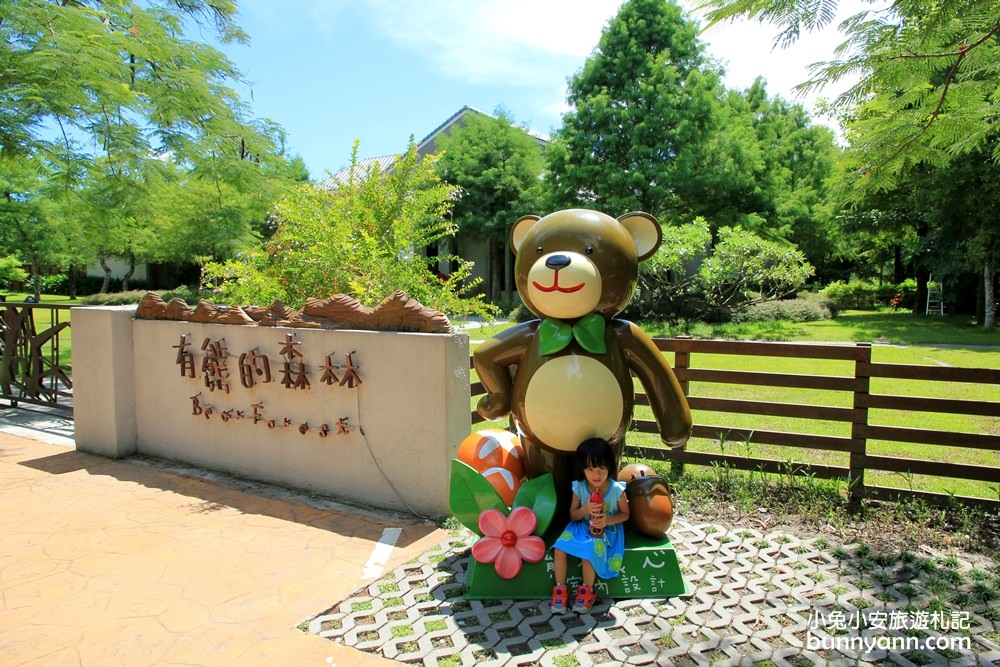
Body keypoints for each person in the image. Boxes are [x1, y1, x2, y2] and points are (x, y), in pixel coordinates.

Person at [550, 437, 629, 614]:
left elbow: (625, 515)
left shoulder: (616, 490)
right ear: (583, 470)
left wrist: (607, 520)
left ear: (609, 466)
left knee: (589, 553)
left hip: (606, 529)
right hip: (581, 525)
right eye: (590, 469)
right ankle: (560, 590)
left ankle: (587, 591)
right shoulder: (580, 488)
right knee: (559, 549)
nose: (597, 475)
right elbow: (573, 515)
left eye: (601, 468)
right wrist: (585, 508)